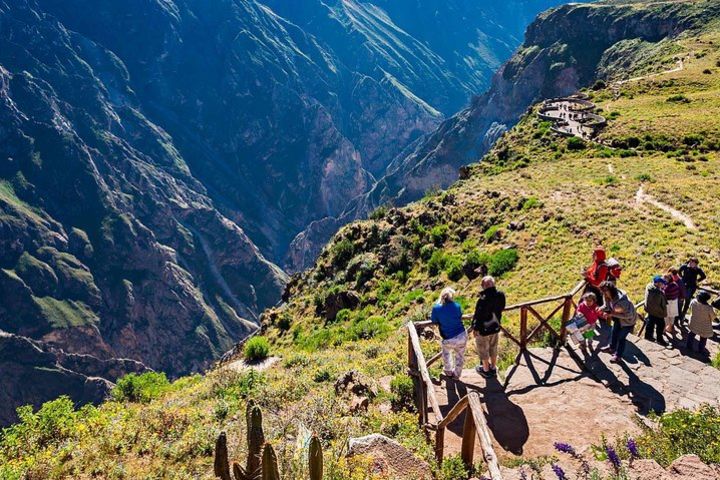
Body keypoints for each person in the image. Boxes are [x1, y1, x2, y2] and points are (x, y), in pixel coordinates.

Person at [472, 276, 506, 378]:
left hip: (483, 329)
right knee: (493, 348)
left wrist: (475, 328)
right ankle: (493, 368)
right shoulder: (500, 295)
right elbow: (502, 307)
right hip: (495, 326)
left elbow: (478, 315)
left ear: (484, 286)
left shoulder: (483, 299)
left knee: (483, 349)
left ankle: (486, 370)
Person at [430, 287, 467, 380]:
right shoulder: (457, 306)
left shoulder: (436, 308)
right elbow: (459, 315)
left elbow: (434, 320)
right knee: (460, 356)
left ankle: (448, 371)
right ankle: (457, 375)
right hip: (461, 334)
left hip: (448, 337)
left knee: (446, 354)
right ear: (451, 297)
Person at [599, 281, 637, 363]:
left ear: (611, 290)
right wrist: (601, 308)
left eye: (605, 291)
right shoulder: (607, 295)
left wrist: (611, 314)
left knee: (621, 338)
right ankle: (611, 348)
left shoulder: (622, 300)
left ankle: (618, 356)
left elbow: (628, 315)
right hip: (617, 319)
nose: (603, 293)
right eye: (602, 291)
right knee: (614, 332)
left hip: (627, 322)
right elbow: (607, 306)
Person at [644, 276, 668, 346]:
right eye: (662, 283)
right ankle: (660, 339)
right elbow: (663, 304)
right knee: (661, 325)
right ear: (657, 283)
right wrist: (664, 313)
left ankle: (648, 337)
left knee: (650, 324)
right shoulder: (659, 293)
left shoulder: (648, 287)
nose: (663, 285)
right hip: (658, 313)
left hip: (650, 310)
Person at [663, 272, 682, 338]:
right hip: (674, 302)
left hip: (668, 303)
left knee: (666, 317)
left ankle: (664, 329)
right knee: (672, 316)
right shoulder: (675, 284)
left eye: (665, 279)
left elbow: (664, 295)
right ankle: (670, 328)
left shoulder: (667, 287)